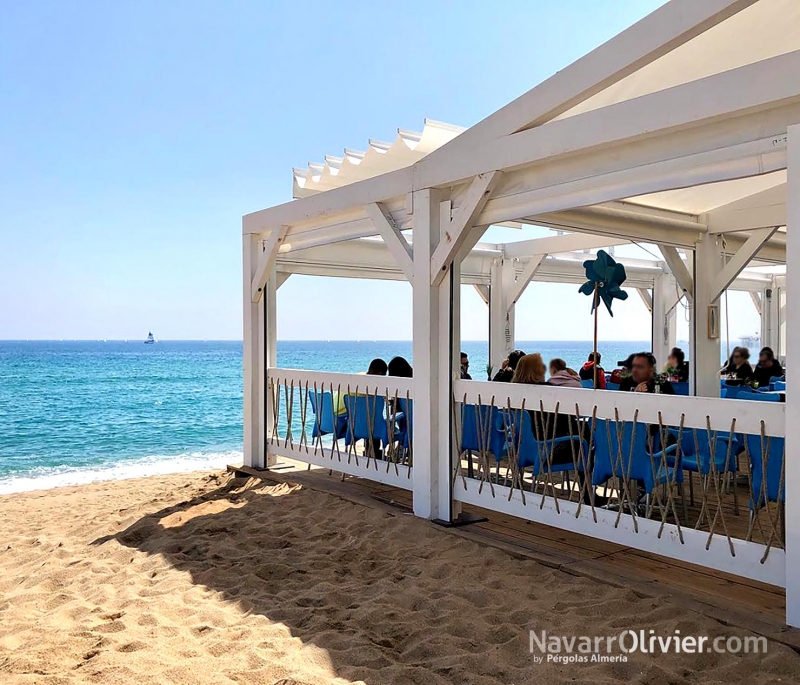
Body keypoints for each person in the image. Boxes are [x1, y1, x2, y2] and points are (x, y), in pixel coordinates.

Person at [512, 354, 605, 505]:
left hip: (528, 449)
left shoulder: (516, 392)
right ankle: (589, 493)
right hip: (550, 448)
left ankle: (590, 492)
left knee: (582, 439)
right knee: (585, 445)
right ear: (535, 370)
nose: (544, 368)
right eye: (541, 365)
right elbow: (561, 422)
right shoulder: (546, 390)